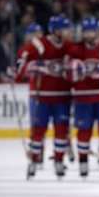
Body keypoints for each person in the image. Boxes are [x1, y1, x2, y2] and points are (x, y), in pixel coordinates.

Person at [15, 15, 73, 178]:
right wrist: (29, 67)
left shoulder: (69, 46)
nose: (68, 32)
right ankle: (34, 160)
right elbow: (22, 62)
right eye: (64, 29)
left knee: (61, 130)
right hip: (42, 97)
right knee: (38, 131)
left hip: (62, 96)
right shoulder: (38, 44)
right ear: (55, 30)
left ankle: (59, 160)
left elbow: (80, 60)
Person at [65, 17, 99, 177]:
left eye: (91, 31)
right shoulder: (75, 50)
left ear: (97, 32)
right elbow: (67, 73)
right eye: (86, 31)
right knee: (83, 131)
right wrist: (77, 70)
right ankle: (83, 162)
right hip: (83, 98)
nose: (88, 34)